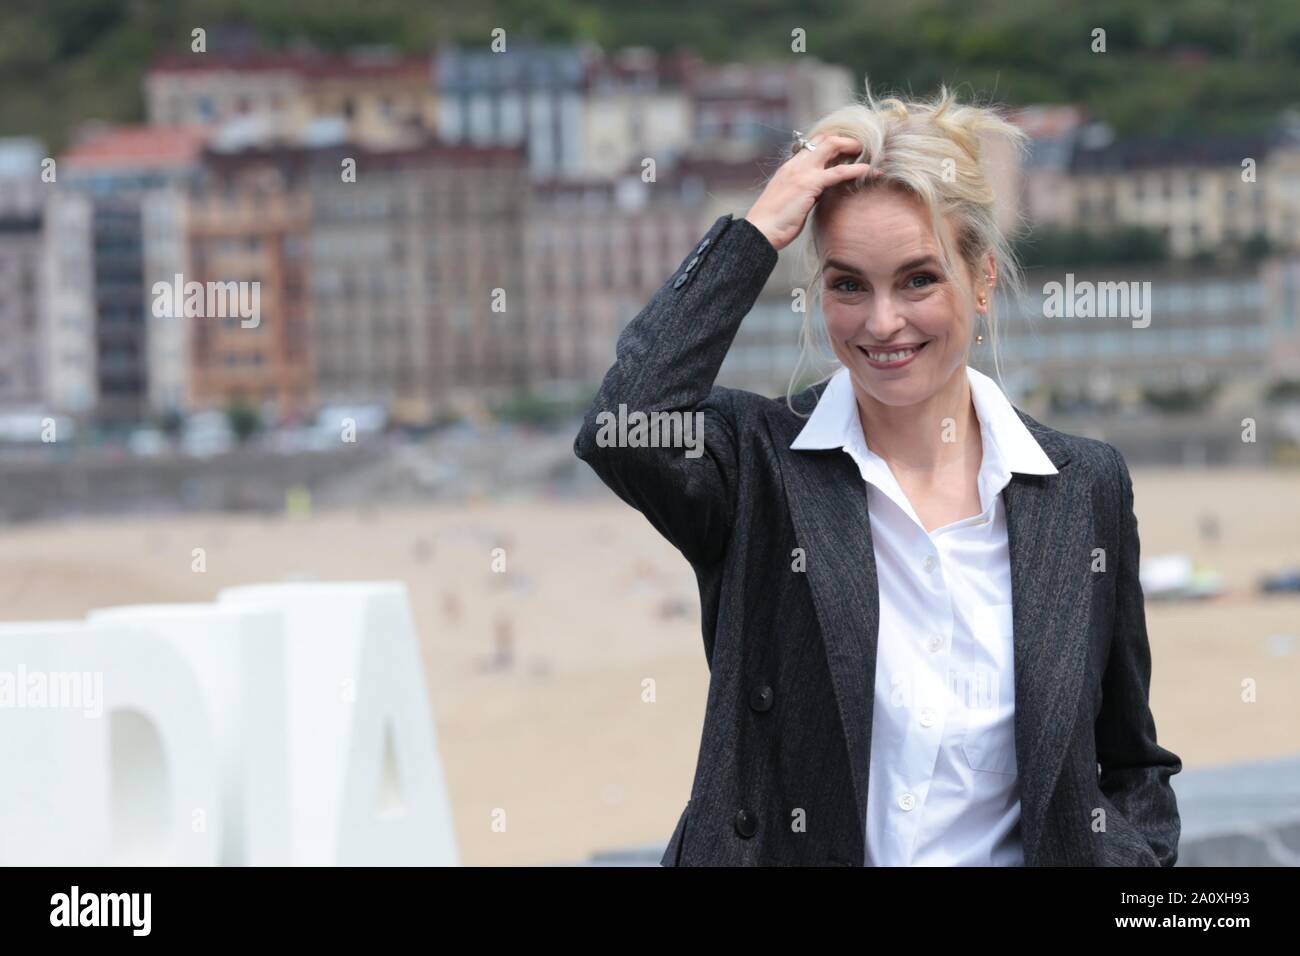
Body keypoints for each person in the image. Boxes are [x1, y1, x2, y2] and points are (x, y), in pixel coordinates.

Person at [574, 86, 1181, 866]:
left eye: (919, 279)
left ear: (983, 279)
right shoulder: (757, 464)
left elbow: (1129, 761)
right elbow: (623, 424)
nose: (882, 322)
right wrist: (756, 232)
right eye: (848, 283)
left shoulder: (1083, 488)